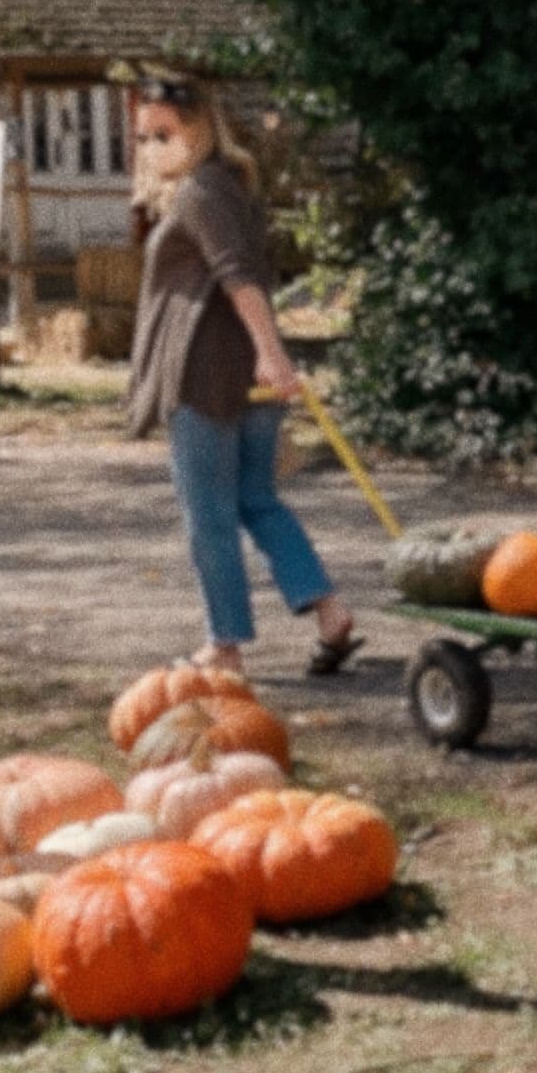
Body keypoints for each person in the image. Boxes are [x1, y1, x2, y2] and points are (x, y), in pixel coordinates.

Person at [125, 75, 357, 675]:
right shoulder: (230, 185)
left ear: (200, 128)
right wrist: (268, 354)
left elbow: (238, 277)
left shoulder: (200, 192)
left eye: (163, 134)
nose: (151, 147)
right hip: (249, 373)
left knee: (209, 514)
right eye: (144, 137)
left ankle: (224, 645)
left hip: (207, 375)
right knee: (257, 499)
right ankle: (329, 611)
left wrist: (270, 352)